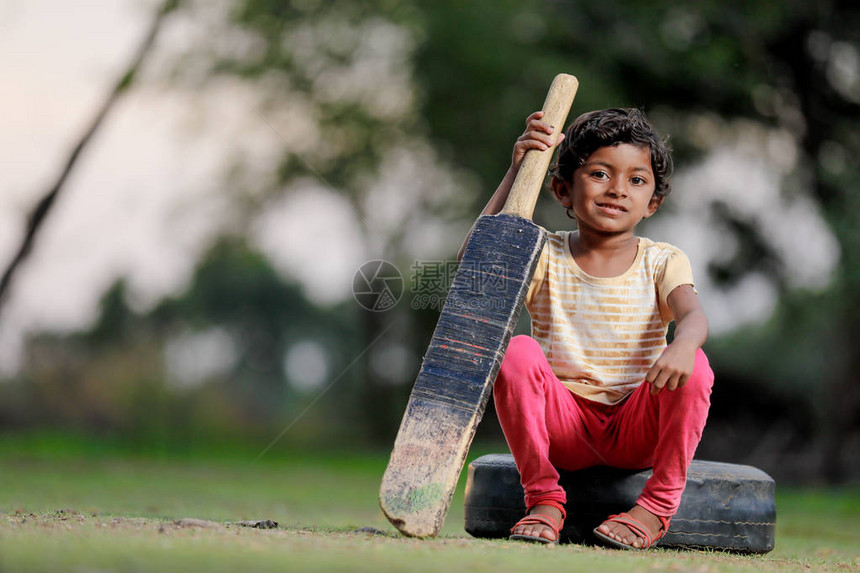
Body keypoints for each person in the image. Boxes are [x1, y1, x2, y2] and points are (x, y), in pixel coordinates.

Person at [460, 108, 713, 549]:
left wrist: (684, 344)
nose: (617, 189)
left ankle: (655, 509)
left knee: (697, 365)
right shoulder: (541, 252)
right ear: (562, 189)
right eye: (599, 173)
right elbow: (475, 269)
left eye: (636, 180)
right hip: (564, 428)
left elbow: (693, 317)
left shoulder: (663, 260)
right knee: (517, 350)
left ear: (653, 202)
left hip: (635, 428)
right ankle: (543, 499)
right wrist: (518, 171)